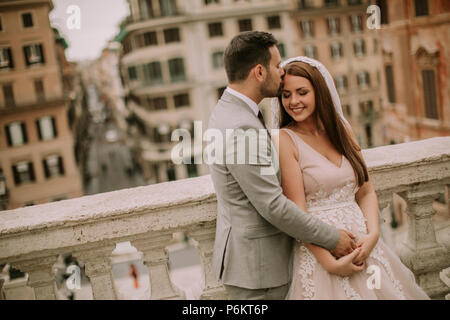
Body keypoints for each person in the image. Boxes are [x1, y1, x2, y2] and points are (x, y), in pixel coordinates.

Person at [208, 31, 359, 300]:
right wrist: (332, 238)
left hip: (252, 261)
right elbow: (272, 206)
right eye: (276, 65)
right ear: (259, 71)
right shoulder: (242, 127)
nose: (281, 71)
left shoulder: (228, 110)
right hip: (258, 270)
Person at [273, 56, 430, 299]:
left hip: (366, 247)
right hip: (323, 255)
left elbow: (365, 191)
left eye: (302, 92)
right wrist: (330, 263)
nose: (293, 101)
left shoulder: (342, 130)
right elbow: (298, 211)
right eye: (286, 95)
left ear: (319, 92)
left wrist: (373, 236)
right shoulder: (285, 140)